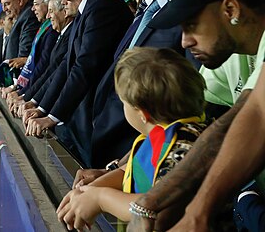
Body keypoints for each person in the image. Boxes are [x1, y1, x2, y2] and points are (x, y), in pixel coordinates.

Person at [124, 0, 265, 231]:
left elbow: (251, 117)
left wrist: (195, 212)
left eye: (191, 25)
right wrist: (123, 171)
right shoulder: (229, 54)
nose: (185, 41)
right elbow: (200, 131)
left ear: (230, 10)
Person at [57, 47, 222, 230]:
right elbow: (132, 170)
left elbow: (155, 206)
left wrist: (101, 198)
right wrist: (87, 191)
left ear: (142, 113)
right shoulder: (161, 135)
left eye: (124, 102)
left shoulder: (184, 148)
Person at [90, 0, 201, 168]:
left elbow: (185, 110)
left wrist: (129, 164)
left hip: (148, 161)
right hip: (122, 152)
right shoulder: (152, 11)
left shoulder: (190, 16)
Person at [24, 0, 132, 166]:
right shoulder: (88, 9)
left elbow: (85, 67)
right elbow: (66, 66)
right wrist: (42, 107)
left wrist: (52, 117)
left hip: (100, 117)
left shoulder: (102, 7)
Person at [1, 0, 41, 66]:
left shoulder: (29, 17)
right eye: (3, 5)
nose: (4, 9)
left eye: (7, 4)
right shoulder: (22, 16)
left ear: (20, 1)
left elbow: (23, 56)